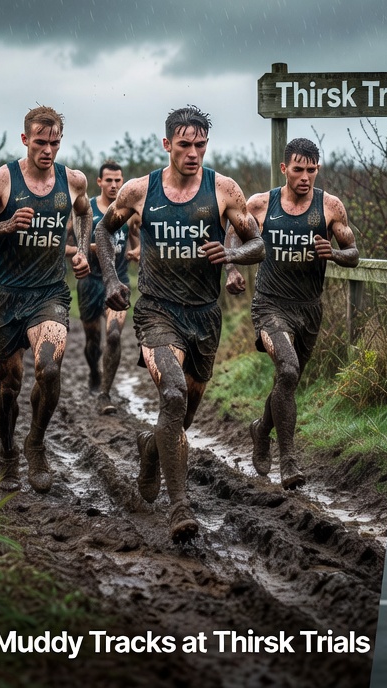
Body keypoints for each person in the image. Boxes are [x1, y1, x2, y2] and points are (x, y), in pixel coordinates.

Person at [95, 105, 263, 542]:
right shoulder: (139, 190)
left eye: (200, 145)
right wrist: (112, 277)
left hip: (205, 316)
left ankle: (151, 447)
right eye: (184, 145)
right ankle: (179, 507)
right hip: (156, 311)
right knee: (170, 394)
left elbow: (258, 243)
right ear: (167, 144)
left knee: (182, 414)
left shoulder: (223, 189)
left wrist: (230, 255)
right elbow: (101, 230)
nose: (193, 153)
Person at [0, 106, 92, 493]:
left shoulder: (73, 180)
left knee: (49, 370)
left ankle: (35, 444)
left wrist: (81, 249)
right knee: (8, 386)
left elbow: (84, 215)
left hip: (49, 294)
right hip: (5, 297)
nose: (47, 150)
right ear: (25, 140)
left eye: (54, 143)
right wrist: (6, 225)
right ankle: (7, 452)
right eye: (39, 142)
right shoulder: (2, 180)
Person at [233, 138, 359, 489]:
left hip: (309, 309)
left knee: (287, 380)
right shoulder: (261, 203)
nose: (305, 177)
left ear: (318, 169)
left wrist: (333, 254)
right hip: (270, 305)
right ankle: (288, 460)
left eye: (312, 170)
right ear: (285, 168)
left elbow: (353, 252)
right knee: (287, 368)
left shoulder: (331, 207)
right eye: (298, 169)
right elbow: (234, 233)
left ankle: (261, 429)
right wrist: (232, 269)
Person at [66, 160, 140, 415]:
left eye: (118, 180)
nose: (114, 184)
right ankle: (94, 372)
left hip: (118, 280)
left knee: (114, 335)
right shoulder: (83, 211)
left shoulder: (127, 211)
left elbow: (137, 240)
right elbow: (60, 245)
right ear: (99, 182)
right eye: (108, 180)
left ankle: (105, 393)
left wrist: (138, 250)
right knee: (93, 341)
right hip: (89, 282)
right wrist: (83, 250)